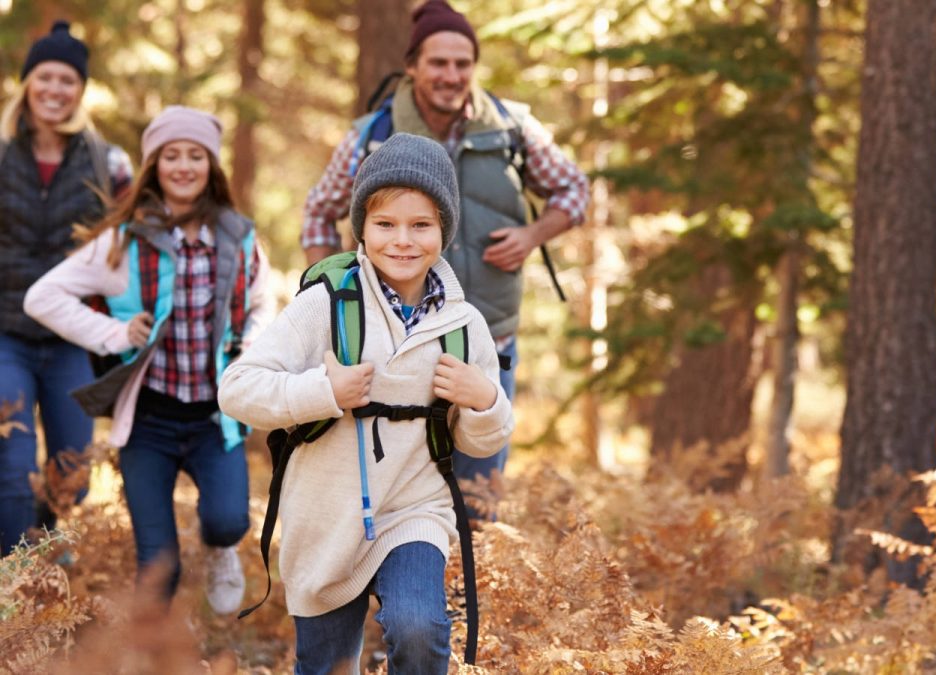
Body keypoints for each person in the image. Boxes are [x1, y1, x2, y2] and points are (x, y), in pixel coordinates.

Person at [219, 133, 513, 674]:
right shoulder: (323, 305)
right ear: (362, 228)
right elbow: (237, 387)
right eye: (385, 225)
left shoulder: (465, 325)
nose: (402, 241)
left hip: (414, 510)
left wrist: (485, 400)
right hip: (325, 520)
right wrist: (324, 393)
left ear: (443, 230)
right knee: (328, 665)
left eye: (421, 225)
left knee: (420, 629)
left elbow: (481, 439)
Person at [300, 0, 588, 510]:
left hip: (486, 340)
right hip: (386, 348)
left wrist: (533, 234)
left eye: (463, 63)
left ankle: (467, 589)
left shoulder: (511, 127)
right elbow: (318, 213)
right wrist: (330, 293)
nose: (451, 75)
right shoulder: (373, 136)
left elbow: (573, 190)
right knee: (388, 495)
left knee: (478, 492)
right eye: (438, 62)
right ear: (412, 65)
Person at [23, 106, 272, 614]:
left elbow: (264, 300)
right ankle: (151, 656)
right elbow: (42, 298)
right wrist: (114, 331)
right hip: (148, 425)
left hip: (214, 419)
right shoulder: (124, 242)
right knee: (158, 565)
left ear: (211, 166)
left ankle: (219, 548)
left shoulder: (237, 235)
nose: (183, 166)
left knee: (228, 520)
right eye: (171, 156)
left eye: (195, 156)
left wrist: (252, 345)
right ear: (154, 167)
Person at [0, 20, 133, 555]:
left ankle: (46, 555)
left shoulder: (108, 162)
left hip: (70, 338)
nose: (55, 90)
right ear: (28, 82)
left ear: (80, 90)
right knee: (10, 463)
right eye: (45, 77)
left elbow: (134, 243)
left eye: (67, 81)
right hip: (5, 334)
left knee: (72, 471)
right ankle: (15, 591)